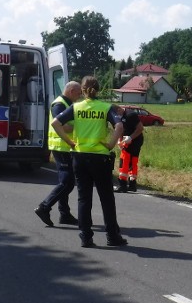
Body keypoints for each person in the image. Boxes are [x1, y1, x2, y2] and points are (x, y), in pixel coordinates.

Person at [51, 76, 128, 248]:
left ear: (83, 90)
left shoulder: (76, 107)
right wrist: (110, 144)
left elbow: (56, 123)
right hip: (100, 157)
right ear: (98, 89)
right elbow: (120, 126)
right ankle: (112, 236)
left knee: (83, 198)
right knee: (106, 198)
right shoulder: (105, 107)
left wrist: (69, 142)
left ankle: (86, 237)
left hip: (79, 156)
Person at [34, 80, 82, 227]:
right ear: (71, 91)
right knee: (67, 182)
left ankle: (64, 214)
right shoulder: (59, 104)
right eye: (79, 92)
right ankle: (44, 207)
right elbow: (61, 125)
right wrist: (80, 127)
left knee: (65, 181)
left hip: (67, 147)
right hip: (61, 147)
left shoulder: (67, 104)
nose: (80, 95)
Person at [115, 106, 144, 193]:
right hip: (128, 140)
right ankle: (132, 184)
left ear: (119, 109)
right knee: (133, 161)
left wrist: (131, 138)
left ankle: (122, 184)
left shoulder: (130, 115)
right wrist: (119, 140)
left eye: (117, 114)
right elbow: (122, 129)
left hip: (134, 141)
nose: (116, 116)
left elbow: (140, 128)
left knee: (124, 161)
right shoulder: (121, 116)